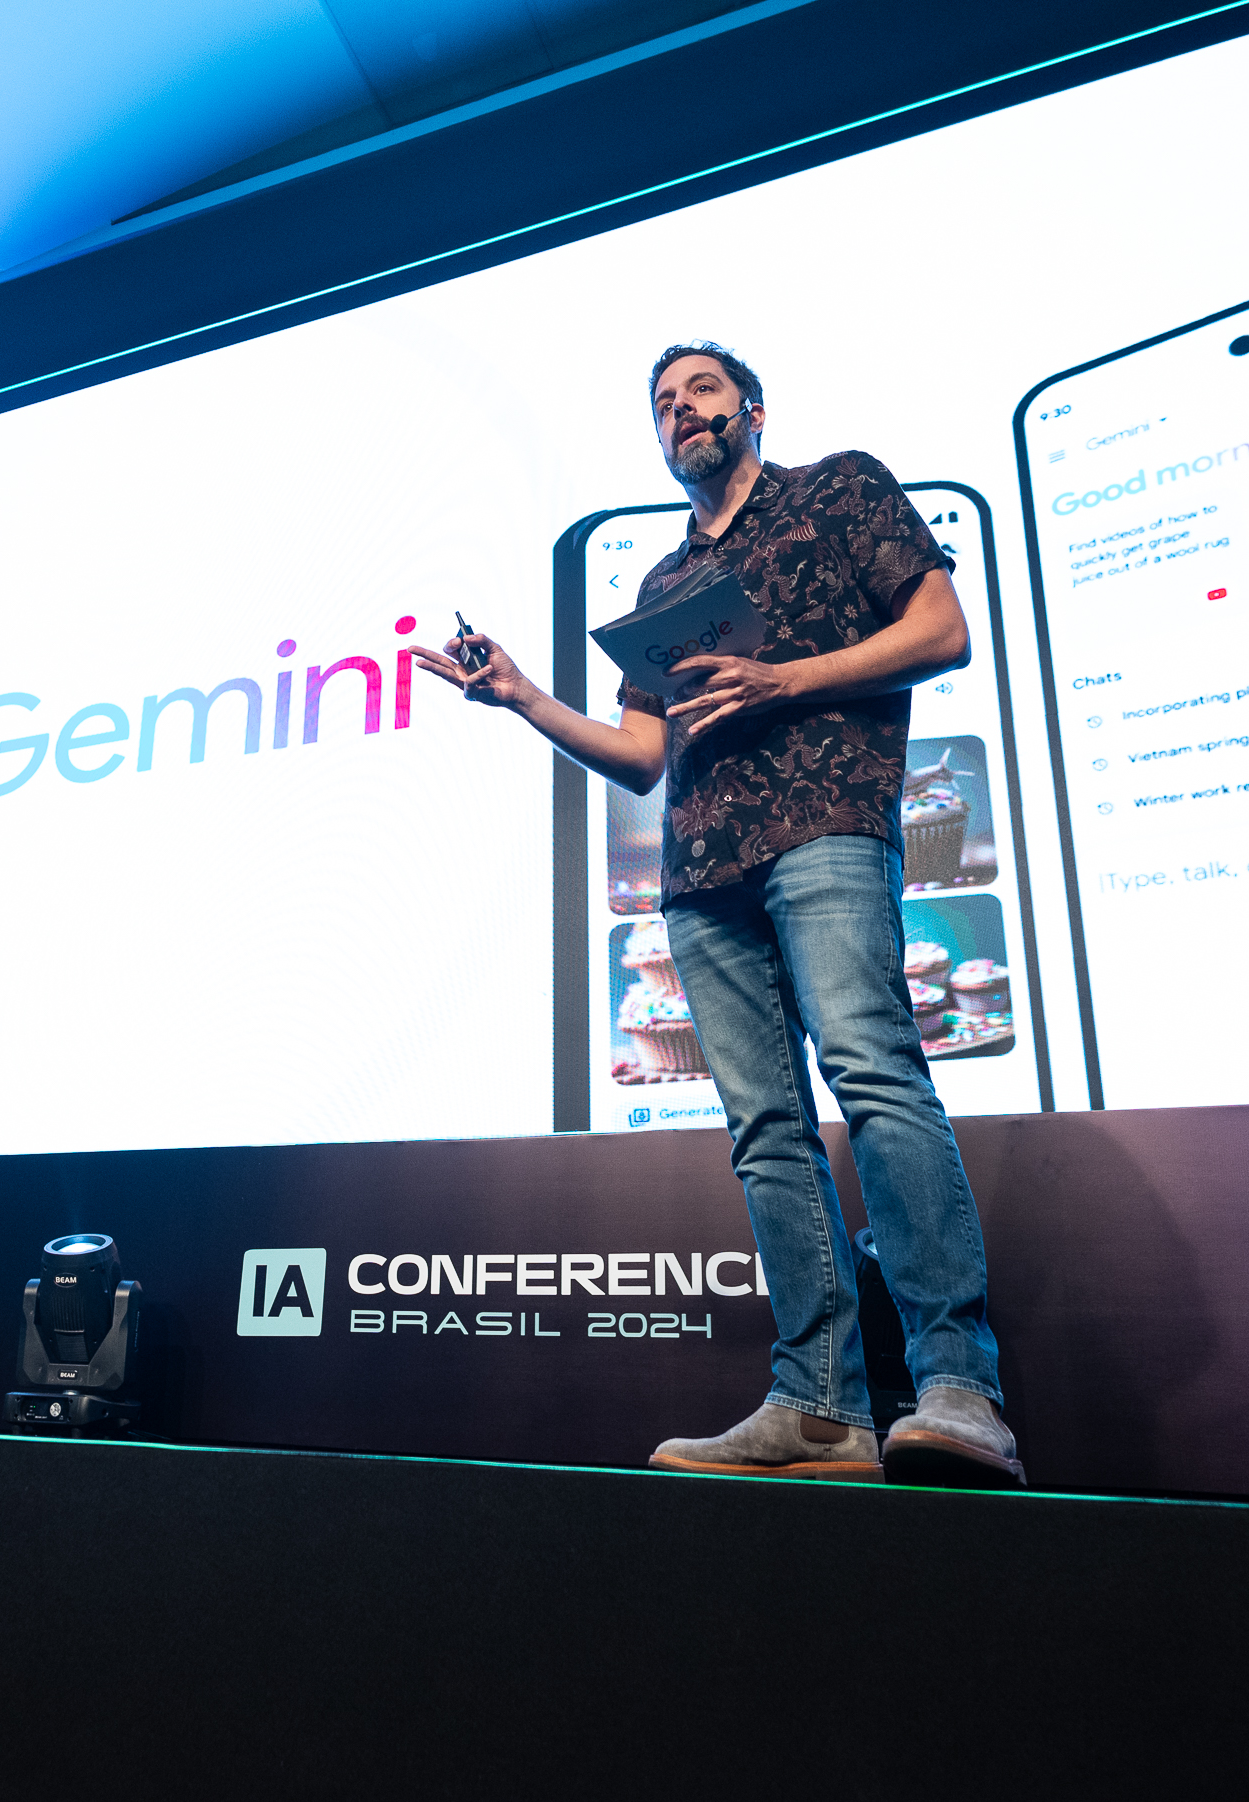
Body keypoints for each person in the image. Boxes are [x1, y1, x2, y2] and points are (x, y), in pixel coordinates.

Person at [407, 342, 1023, 1488]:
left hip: (828, 827)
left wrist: (789, 678)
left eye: (698, 388)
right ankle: (823, 1405)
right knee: (765, 1132)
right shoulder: (661, 589)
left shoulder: (840, 488)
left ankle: (957, 1387)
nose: (680, 408)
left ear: (750, 406)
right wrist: (525, 696)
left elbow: (943, 633)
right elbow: (642, 755)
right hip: (701, 874)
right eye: (660, 402)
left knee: (875, 1072)